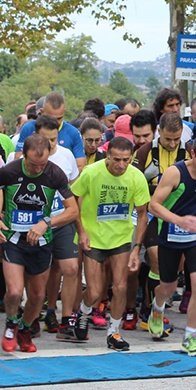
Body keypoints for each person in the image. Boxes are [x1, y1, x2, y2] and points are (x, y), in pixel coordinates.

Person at [0, 136, 79, 353]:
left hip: (41, 242)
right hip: (14, 239)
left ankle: (25, 329)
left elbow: (73, 210)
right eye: (33, 165)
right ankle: (10, 324)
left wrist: (46, 222)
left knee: (37, 296)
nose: (37, 169)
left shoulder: (55, 173)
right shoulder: (10, 171)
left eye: (42, 165)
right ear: (24, 155)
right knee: (15, 292)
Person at [147, 135, 196, 356]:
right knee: (168, 288)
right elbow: (153, 206)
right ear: (192, 154)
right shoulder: (175, 173)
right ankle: (157, 307)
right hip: (170, 234)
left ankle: (190, 337)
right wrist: (178, 220)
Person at [69, 137, 150, 351]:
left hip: (121, 237)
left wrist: (136, 248)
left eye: (126, 160)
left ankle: (114, 332)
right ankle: (84, 312)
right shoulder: (91, 172)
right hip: (93, 237)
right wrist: (82, 231)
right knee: (95, 292)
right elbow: (73, 198)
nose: (121, 165)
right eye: (116, 160)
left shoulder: (136, 177)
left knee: (121, 286)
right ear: (108, 156)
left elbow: (143, 214)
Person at [33, 115, 87, 338]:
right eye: (46, 140)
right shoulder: (28, 157)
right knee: (41, 272)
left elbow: (74, 193)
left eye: (54, 140)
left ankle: (66, 320)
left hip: (62, 220)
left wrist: (80, 227)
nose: (51, 145)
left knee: (71, 268)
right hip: (37, 222)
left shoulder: (66, 156)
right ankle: (35, 317)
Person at [133, 113, 188, 325]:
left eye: (177, 139)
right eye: (168, 139)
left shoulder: (188, 151)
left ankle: (156, 302)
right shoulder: (145, 151)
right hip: (151, 215)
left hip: (179, 216)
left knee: (173, 268)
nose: (173, 144)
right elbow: (134, 181)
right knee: (157, 259)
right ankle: (150, 312)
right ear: (158, 132)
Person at [15, 93, 86, 173]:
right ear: (41, 112)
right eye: (50, 118)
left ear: (64, 112)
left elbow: (80, 167)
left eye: (59, 118)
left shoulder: (73, 133)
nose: (55, 122)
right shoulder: (28, 128)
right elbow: (18, 159)